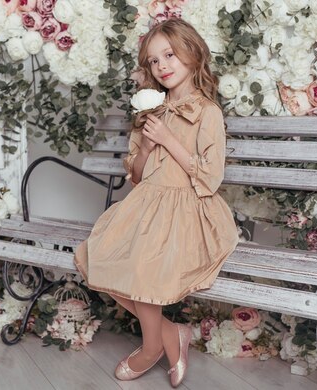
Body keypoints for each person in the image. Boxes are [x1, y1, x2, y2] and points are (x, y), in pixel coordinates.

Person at [74, 18, 239, 387]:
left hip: (189, 209)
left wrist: (168, 138)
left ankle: (151, 348)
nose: (162, 65)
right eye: (153, 60)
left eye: (170, 55)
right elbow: (136, 175)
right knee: (98, 259)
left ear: (192, 55)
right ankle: (169, 334)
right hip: (147, 205)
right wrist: (147, 145)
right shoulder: (149, 111)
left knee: (142, 266)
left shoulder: (207, 113)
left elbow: (210, 179)